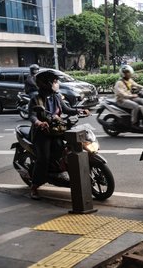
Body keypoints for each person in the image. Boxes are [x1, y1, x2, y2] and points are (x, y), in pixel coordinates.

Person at [28, 70, 89, 200]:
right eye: (54, 81)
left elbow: (67, 109)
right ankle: (34, 186)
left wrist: (80, 111)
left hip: (57, 129)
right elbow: (32, 116)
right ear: (45, 84)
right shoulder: (35, 99)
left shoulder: (56, 96)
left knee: (69, 148)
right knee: (43, 159)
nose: (57, 84)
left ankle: (61, 170)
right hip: (42, 133)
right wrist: (39, 122)